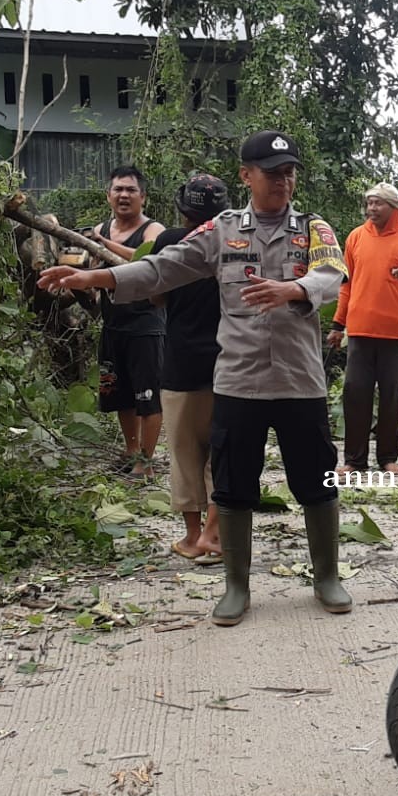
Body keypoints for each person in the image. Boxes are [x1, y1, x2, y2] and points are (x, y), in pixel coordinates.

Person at [39, 131, 350, 627]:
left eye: (289, 172)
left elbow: (332, 274)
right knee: (231, 486)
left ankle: (327, 578)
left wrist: (294, 288)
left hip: (300, 383)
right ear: (246, 176)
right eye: (272, 173)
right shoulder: (222, 230)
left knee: (315, 482)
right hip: (238, 382)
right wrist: (96, 277)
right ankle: (237, 586)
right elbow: (165, 268)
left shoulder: (313, 228)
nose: (283, 181)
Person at [152, 173, 231, 562]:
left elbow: (157, 296)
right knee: (223, 452)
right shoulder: (236, 242)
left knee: (185, 454)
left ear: (183, 209)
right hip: (228, 362)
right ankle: (216, 537)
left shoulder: (169, 241)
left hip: (181, 362)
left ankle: (191, 537)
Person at [327, 181, 398, 474]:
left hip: (394, 333)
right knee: (355, 393)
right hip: (359, 331)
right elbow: (346, 286)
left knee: (391, 396)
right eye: (369, 203)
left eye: (378, 203)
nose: (372, 208)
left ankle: (388, 458)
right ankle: (353, 461)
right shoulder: (356, 238)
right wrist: (338, 324)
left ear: (393, 207)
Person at [86, 166, 168, 477]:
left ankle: (146, 463)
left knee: (147, 396)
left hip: (146, 325)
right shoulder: (101, 228)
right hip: (113, 323)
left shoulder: (153, 230)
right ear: (108, 195)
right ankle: (131, 451)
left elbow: (148, 262)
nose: (124, 195)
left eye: (130, 190)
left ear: (143, 196)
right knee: (120, 393)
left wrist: (100, 245)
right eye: (118, 189)